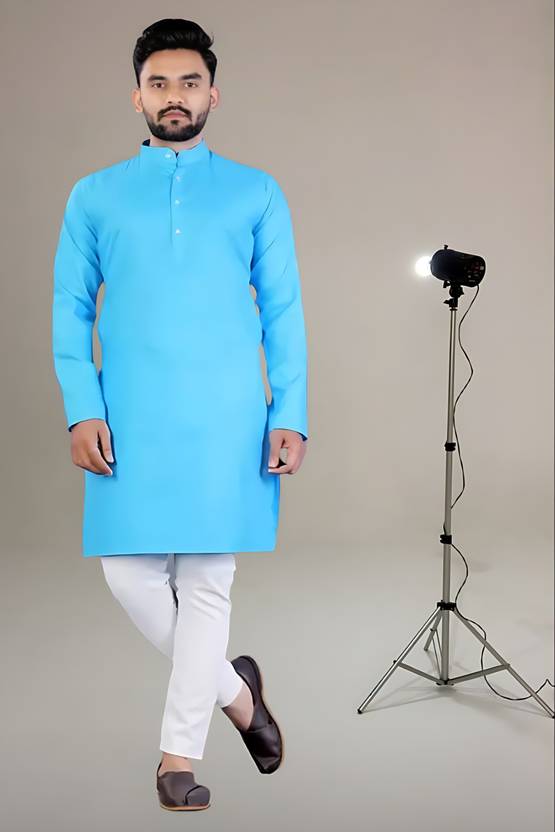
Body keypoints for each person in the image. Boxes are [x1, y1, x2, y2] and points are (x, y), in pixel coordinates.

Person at [51, 18, 309, 811]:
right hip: (128, 411)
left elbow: (283, 311)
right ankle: (238, 693)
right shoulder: (93, 195)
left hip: (226, 416)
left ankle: (176, 759)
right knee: (128, 574)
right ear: (136, 96)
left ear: (212, 95)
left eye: (189, 82)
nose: (174, 96)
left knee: (204, 581)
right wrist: (81, 409)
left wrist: (289, 412)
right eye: (158, 83)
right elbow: (69, 310)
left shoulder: (255, 191)